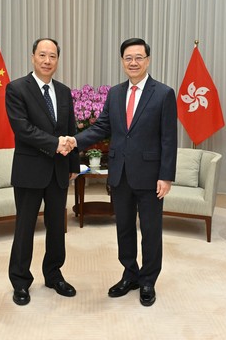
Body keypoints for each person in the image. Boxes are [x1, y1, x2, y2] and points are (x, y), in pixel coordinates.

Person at [64, 38, 177, 306]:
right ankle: (130, 274)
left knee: (150, 230)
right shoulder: (115, 93)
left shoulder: (163, 93)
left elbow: (169, 138)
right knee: (124, 228)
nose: (133, 62)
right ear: (122, 61)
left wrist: (166, 176)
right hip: (120, 174)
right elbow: (102, 127)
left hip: (150, 176)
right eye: (128, 58)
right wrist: (74, 141)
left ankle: (148, 281)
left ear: (148, 60)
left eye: (139, 57)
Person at [5, 38, 80, 306]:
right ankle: (20, 281)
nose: (47, 61)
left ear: (58, 60)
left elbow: (70, 129)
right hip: (29, 170)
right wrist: (55, 143)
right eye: (42, 55)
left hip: (59, 170)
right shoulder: (16, 89)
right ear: (33, 57)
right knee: (25, 228)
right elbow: (22, 128)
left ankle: (53, 275)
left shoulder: (64, 91)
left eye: (53, 56)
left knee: (57, 228)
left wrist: (73, 165)